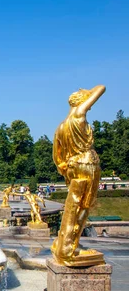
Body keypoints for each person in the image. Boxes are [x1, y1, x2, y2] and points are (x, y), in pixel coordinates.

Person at [51, 85, 106, 267]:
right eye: (86, 101)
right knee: (84, 206)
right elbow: (101, 88)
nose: (89, 106)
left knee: (72, 204)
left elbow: (57, 157)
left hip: (73, 166)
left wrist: (65, 168)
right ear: (82, 102)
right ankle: (70, 248)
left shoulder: (61, 127)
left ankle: (63, 243)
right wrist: (88, 92)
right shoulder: (78, 116)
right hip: (87, 164)